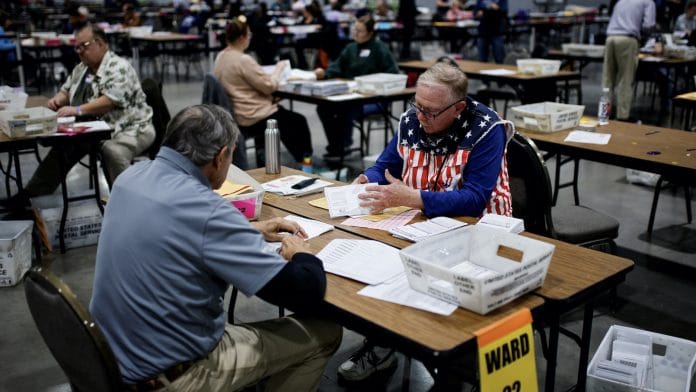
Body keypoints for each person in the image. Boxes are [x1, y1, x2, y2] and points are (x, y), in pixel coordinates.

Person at [89, 104, 342, 391]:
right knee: (326, 332)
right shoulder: (208, 211)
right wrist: (301, 255)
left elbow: (172, 231)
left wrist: (249, 230)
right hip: (174, 374)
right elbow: (303, 292)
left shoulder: (128, 179)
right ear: (221, 157)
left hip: (111, 358)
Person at [336, 62, 513, 383]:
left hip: (477, 229)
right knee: (380, 273)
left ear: (458, 108)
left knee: (449, 299)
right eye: (417, 106)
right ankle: (383, 342)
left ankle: (454, 368)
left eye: (431, 112)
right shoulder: (411, 121)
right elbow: (386, 165)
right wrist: (367, 178)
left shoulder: (486, 129)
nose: (421, 116)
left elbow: (475, 199)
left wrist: (413, 198)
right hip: (421, 220)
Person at [1, 24, 154, 211]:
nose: (80, 51)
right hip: (96, 129)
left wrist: (77, 109)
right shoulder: (84, 69)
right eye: (77, 47)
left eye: (84, 46)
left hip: (132, 128)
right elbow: (67, 89)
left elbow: (109, 101)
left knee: (112, 152)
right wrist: (58, 99)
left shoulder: (119, 67)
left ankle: (128, 205)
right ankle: (30, 195)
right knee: (62, 147)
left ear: (100, 43)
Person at [214, 16, 313, 166]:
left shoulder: (221, 57)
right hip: (253, 116)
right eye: (249, 36)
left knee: (286, 117)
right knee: (297, 121)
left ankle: (268, 159)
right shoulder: (243, 60)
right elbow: (269, 86)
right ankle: (306, 163)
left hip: (236, 113)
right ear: (242, 38)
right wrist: (278, 70)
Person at [313, 14, 399, 159]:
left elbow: (393, 74)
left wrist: (375, 85)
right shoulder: (350, 48)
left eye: (360, 31)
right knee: (324, 107)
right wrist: (325, 73)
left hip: (374, 99)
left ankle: (342, 146)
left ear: (370, 33)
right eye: (355, 30)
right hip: (352, 94)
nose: (355, 34)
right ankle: (336, 146)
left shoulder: (379, 48)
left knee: (347, 108)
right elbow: (337, 67)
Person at [602, 0, 655, 120]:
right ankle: (622, 116)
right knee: (625, 80)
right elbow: (649, 25)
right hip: (627, 39)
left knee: (607, 80)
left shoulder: (621, 1)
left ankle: (604, 113)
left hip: (610, 39)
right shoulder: (648, 2)